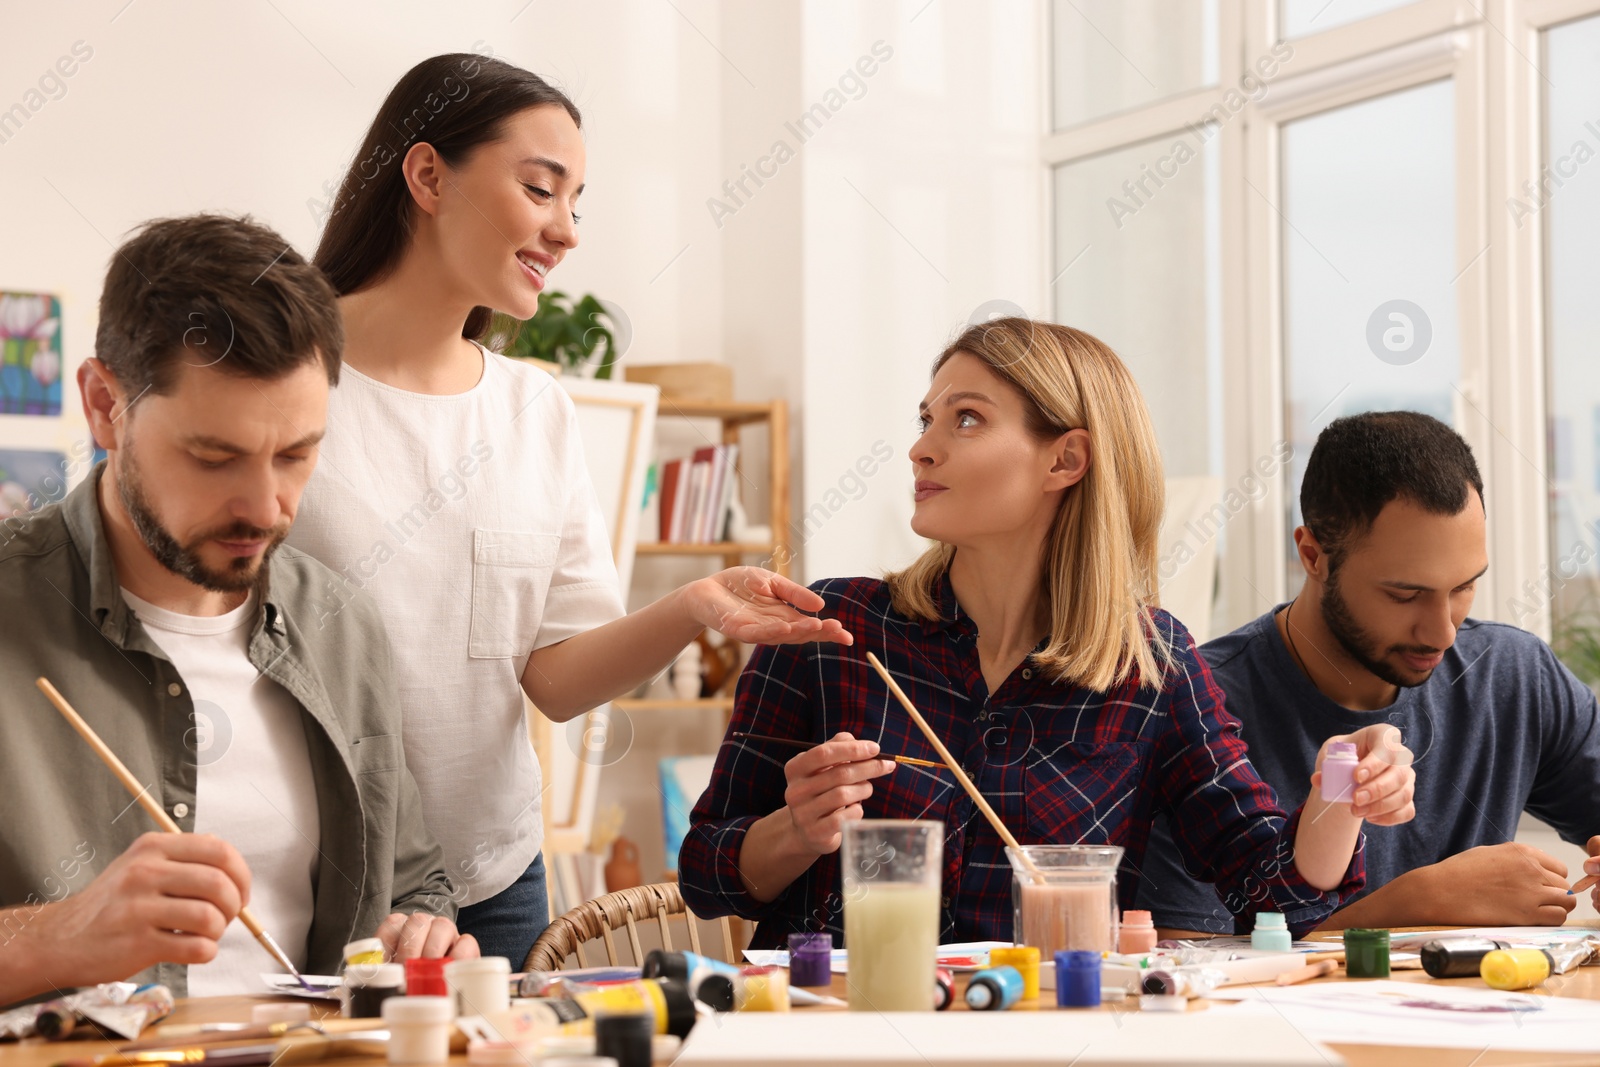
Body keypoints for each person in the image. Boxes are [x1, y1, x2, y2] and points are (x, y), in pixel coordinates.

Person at [288, 53, 850, 966]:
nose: (567, 231)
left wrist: (691, 607)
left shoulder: (533, 408)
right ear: (428, 175)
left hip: (496, 880)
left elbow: (553, 677)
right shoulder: (289, 384)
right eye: (541, 190)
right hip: (319, 874)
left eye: (576, 203)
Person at [679, 318, 1416, 948]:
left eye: (965, 418)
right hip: (835, 1036)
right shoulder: (835, 632)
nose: (922, 447)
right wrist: (795, 830)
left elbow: (1271, 884)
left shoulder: (1153, 664)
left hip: (1043, 1035)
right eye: (925, 419)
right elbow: (707, 874)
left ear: (1064, 459)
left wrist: (1341, 785)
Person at [0, 215, 473, 1009]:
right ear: (103, 404)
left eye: (296, 454)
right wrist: (59, 936)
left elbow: (410, 880)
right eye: (214, 457)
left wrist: (421, 926)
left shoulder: (341, 625)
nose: (265, 506)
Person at [1137, 411, 1600, 932]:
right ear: (1313, 555)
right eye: (1406, 594)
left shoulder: (1515, 676)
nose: (1443, 632)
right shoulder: (1195, 707)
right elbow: (1180, 961)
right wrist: (1417, 902)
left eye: (1464, 587)